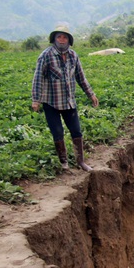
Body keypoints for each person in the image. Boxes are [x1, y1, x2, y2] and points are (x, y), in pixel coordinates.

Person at [31, 25, 98, 171]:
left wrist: (91, 94)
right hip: (51, 102)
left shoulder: (73, 56)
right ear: (54, 39)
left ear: (69, 40)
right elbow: (38, 78)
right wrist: (36, 99)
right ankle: (64, 163)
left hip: (69, 101)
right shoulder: (46, 56)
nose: (62, 40)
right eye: (59, 37)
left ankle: (81, 161)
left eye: (64, 37)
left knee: (76, 131)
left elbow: (81, 77)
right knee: (58, 132)